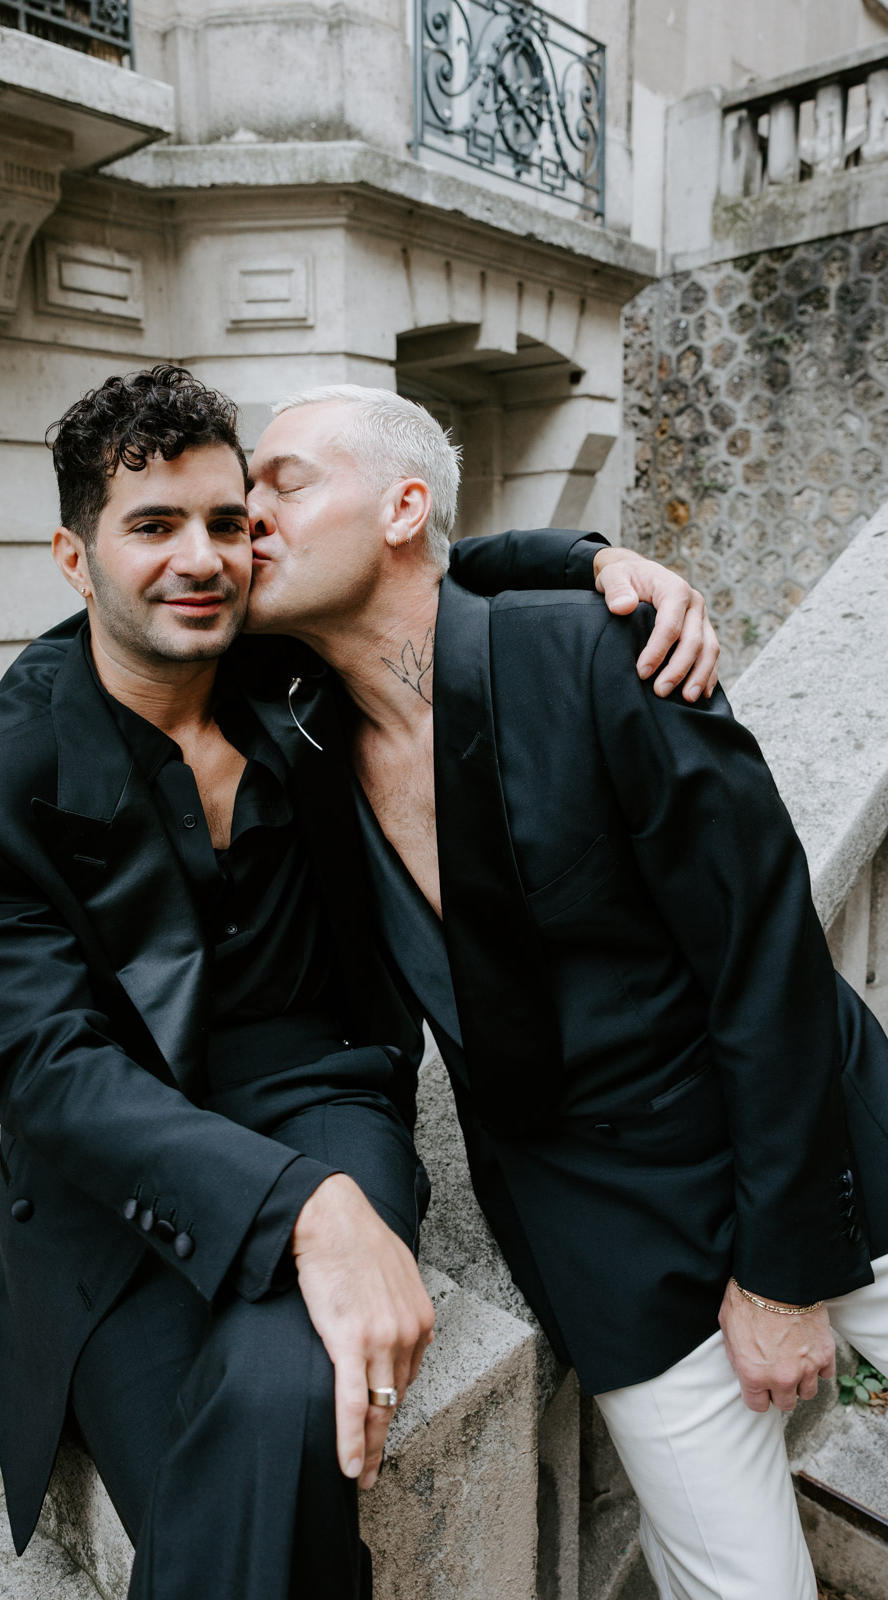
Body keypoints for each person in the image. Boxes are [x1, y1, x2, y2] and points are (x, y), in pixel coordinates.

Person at [0, 365, 714, 1600]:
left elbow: (420, 565)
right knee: (257, 1459)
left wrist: (591, 558)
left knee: (286, 1387)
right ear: (74, 557)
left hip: (323, 1094)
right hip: (113, 1190)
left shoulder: (282, 663)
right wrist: (309, 1215)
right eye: (153, 527)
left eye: (228, 522)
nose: (202, 559)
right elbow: (56, 1078)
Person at [241, 384, 888, 1600]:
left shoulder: (598, 649)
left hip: (823, 1151)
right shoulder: (298, 738)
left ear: (401, 505)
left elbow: (765, 957)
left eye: (283, 482)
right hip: (598, 1230)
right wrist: (583, 550)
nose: (248, 514)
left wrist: (783, 1269)